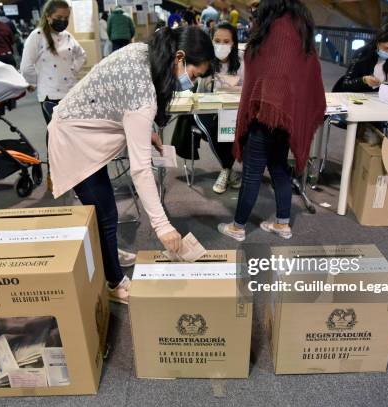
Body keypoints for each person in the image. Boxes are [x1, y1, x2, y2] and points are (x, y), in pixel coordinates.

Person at [47, 27, 214, 303]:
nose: (190, 83)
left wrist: (145, 130)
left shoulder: (143, 52)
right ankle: (115, 282)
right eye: (193, 75)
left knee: (105, 212)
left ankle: (108, 252)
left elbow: (114, 98)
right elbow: (139, 169)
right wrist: (162, 226)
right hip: (72, 140)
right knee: (105, 214)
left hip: (81, 130)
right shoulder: (143, 95)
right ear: (180, 58)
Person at [218, 0, 325, 242]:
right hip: (286, 117)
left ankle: (237, 227)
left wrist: (263, 104)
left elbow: (270, 74)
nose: (254, 9)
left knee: (252, 172)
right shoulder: (300, 29)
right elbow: (308, 74)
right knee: (279, 168)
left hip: (265, 115)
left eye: (257, 5)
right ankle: (282, 224)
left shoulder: (275, 29)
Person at [20, 0, 86, 191]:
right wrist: (34, 82)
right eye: (59, 18)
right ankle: (54, 175)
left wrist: (73, 70)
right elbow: (26, 66)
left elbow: (81, 55)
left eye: (66, 18)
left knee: (73, 135)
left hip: (71, 93)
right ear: (48, 16)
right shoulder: (37, 36)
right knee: (56, 136)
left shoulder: (67, 35)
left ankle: (73, 173)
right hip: (50, 95)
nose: (63, 21)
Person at [172, 22, 244, 194]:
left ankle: (226, 170)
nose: (221, 45)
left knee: (231, 129)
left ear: (233, 43)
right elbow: (186, 83)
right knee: (212, 128)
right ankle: (227, 170)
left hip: (235, 111)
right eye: (217, 40)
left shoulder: (242, 61)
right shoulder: (205, 60)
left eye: (226, 41)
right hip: (208, 110)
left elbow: (250, 87)